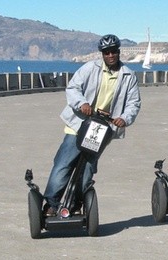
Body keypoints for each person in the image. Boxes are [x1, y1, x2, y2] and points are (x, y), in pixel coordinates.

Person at [43, 34, 141, 216]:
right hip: (78, 123)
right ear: (102, 54)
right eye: (106, 52)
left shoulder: (128, 75)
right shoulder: (90, 68)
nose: (110, 55)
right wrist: (82, 103)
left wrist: (125, 118)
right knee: (63, 165)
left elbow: (133, 103)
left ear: (119, 52)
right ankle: (51, 204)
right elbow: (73, 88)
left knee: (87, 169)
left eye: (114, 51)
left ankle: (75, 204)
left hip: (102, 129)